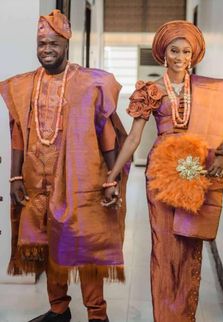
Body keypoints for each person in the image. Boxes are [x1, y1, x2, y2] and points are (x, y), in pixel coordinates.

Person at [102, 20, 223, 322]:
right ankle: (165, 316)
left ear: (193, 56)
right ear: (164, 53)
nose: (180, 57)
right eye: (174, 50)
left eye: (186, 51)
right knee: (164, 248)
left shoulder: (208, 90)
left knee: (190, 247)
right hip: (160, 177)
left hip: (195, 172)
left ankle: (184, 316)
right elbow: (134, 138)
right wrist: (112, 175)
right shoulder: (151, 91)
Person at [0, 9, 129, 322]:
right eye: (42, 42)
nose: (47, 48)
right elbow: (18, 131)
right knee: (47, 244)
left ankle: (97, 314)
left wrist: (112, 179)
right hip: (37, 179)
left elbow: (108, 133)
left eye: (53, 43)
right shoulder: (24, 85)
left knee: (87, 246)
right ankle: (59, 310)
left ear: (66, 45)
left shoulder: (90, 83)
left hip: (82, 181)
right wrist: (15, 175)